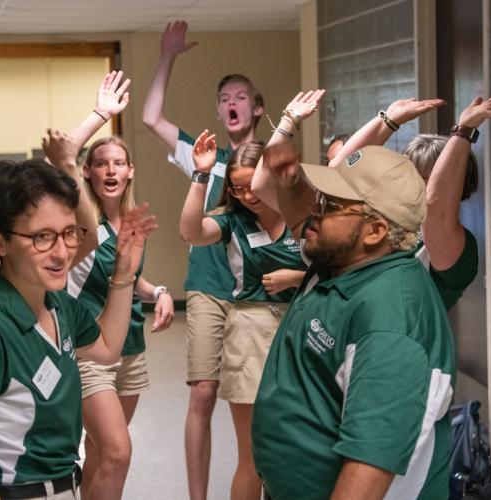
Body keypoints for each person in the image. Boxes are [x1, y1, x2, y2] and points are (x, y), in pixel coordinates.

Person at [0, 159, 157, 500]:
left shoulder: (58, 304)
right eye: (43, 237)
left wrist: (124, 273)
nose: (62, 252)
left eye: (70, 233)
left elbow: (106, 348)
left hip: (65, 485)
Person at [253, 145, 456, 499]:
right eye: (320, 198)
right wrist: (288, 181)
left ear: (375, 230)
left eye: (329, 205)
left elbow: (371, 461)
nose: (314, 213)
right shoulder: (342, 260)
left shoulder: (392, 319)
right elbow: (303, 215)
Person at [142, 21, 265, 499]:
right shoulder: (204, 156)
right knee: (203, 392)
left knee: (252, 403)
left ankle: (252, 484)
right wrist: (167, 56)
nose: (230, 103)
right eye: (224, 98)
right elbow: (152, 117)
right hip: (208, 288)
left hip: (259, 293)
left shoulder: (272, 161)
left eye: (240, 96)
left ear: (256, 107)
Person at [255, 90, 491, 310]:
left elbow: (435, 207)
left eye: (419, 178)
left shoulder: (451, 245)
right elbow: (331, 172)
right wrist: (387, 120)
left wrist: (463, 133)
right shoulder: (361, 225)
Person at [181, 133, 306, 500]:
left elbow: (333, 266)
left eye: (252, 186)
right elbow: (190, 231)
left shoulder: (301, 213)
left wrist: (296, 278)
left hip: (300, 328)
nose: (248, 196)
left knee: (296, 450)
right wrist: (201, 176)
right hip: (250, 331)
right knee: (251, 457)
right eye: (237, 190)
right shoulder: (232, 220)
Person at [67, 134, 175, 500]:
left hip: (130, 345)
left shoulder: (129, 223)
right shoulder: (83, 227)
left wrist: (158, 292)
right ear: (87, 171)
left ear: (130, 171)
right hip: (91, 349)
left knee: (100, 449)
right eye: (101, 163)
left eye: (118, 163)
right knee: (117, 450)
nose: (110, 170)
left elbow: (131, 279)